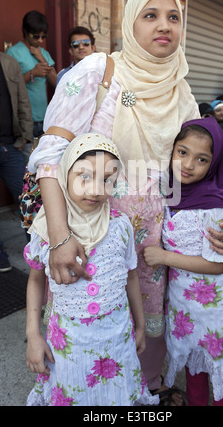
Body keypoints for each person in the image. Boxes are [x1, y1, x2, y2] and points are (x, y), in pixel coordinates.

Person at [28, 0, 223, 405]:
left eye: (174, 16)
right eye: (150, 15)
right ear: (130, 22)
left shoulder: (180, 86)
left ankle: (145, 389)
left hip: (158, 245)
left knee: (149, 328)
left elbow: (198, 164)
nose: (164, 25)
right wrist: (59, 236)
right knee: (90, 334)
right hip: (92, 237)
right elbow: (50, 155)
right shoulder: (99, 72)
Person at [24, 132, 158, 406]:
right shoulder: (47, 231)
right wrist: (33, 335)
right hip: (69, 351)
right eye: (85, 176)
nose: (96, 189)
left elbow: (131, 276)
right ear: (64, 174)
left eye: (107, 179)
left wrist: (141, 325)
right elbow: (36, 281)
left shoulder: (120, 226)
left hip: (118, 341)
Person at [143, 117, 223, 406]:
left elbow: (217, 264)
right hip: (185, 302)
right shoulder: (173, 190)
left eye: (202, 159)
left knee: (219, 362)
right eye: (182, 152)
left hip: (216, 305)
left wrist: (163, 257)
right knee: (193, 361)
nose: (188, 164)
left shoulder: (212, 204)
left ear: (215, 164)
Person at [0, 1, 33, 271]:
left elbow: (23, 103)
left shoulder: (10, 63)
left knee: (28, 197)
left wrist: (26, 139)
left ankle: (35, 246)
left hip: (12, 147)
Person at [7, 10, 57, 148]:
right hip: (25, 120)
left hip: (45, 117)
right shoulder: (13, 52)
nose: (40, 40)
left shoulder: (43, 53)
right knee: (27, 163)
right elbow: (9, 86)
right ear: (25, 31)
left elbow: (58, 83)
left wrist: (41, 59)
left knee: (43, 164)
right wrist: (32, 74)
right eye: (36, 36)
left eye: (43, 36)